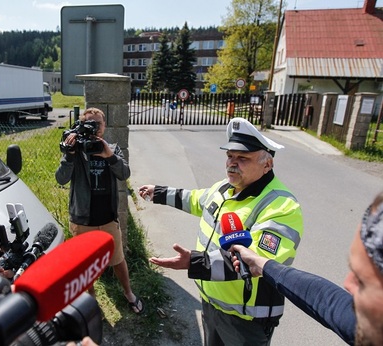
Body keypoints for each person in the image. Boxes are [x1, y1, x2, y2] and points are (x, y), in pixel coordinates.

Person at [139, 117, 304, 345]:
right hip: (212, 303)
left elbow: (256, 261)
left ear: (267, 164)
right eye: (229, 156)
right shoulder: (225, 187)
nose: (232, 163)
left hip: (246, 319)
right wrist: (158, 192)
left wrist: (194, 263)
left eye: (243, 158)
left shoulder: (281, 206)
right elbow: (195, 200)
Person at [231, 191, 383, 346]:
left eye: (362, 282)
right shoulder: (370, 320)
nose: (347, 284)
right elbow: (325, 300)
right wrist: (261, 264)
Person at [55, 107, 144, 314]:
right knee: (85, 264)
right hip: (82, 218)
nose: (94, 128)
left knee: (118, 259)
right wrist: (69, 155)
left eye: (98, 123)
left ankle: (128, 292)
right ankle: (91, 299)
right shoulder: (77, 150)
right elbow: (61, 179)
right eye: (90, 123)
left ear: (104, 126)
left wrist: (109, 155)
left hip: (108, 217)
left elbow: (124, 173)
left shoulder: (112, 147)